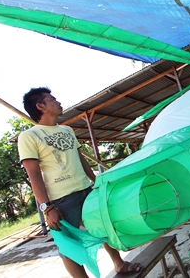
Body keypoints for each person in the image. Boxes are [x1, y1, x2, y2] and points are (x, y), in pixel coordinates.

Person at [18, 87, 142, 277]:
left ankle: (119, 263)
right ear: (40, 106)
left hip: (86, 190)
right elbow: (33, 174)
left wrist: (96, 181)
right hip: (61, 199)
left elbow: (80, 160)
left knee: (102, 229)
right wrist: (47, 208)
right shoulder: (29, 136)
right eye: (52, 99)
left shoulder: (67, 130)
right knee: (70, 247)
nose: (58, 102)